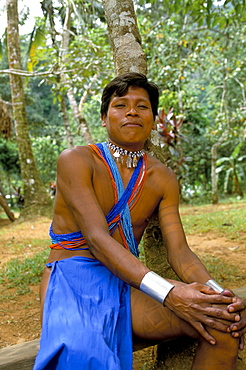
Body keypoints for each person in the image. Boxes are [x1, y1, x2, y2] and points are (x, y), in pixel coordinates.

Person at [34, 73, 245, 370]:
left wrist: (219, 293)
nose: (132, 111)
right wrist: (169, 293)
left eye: (142, 106)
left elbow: (180, 253)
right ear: (104, 119)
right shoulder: (76, 160)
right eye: (121, 105)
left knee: (223, 323)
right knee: (84, 357)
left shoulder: (163, 178)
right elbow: (97, 239)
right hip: (73, 279)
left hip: (128, 281)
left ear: (154, 120)